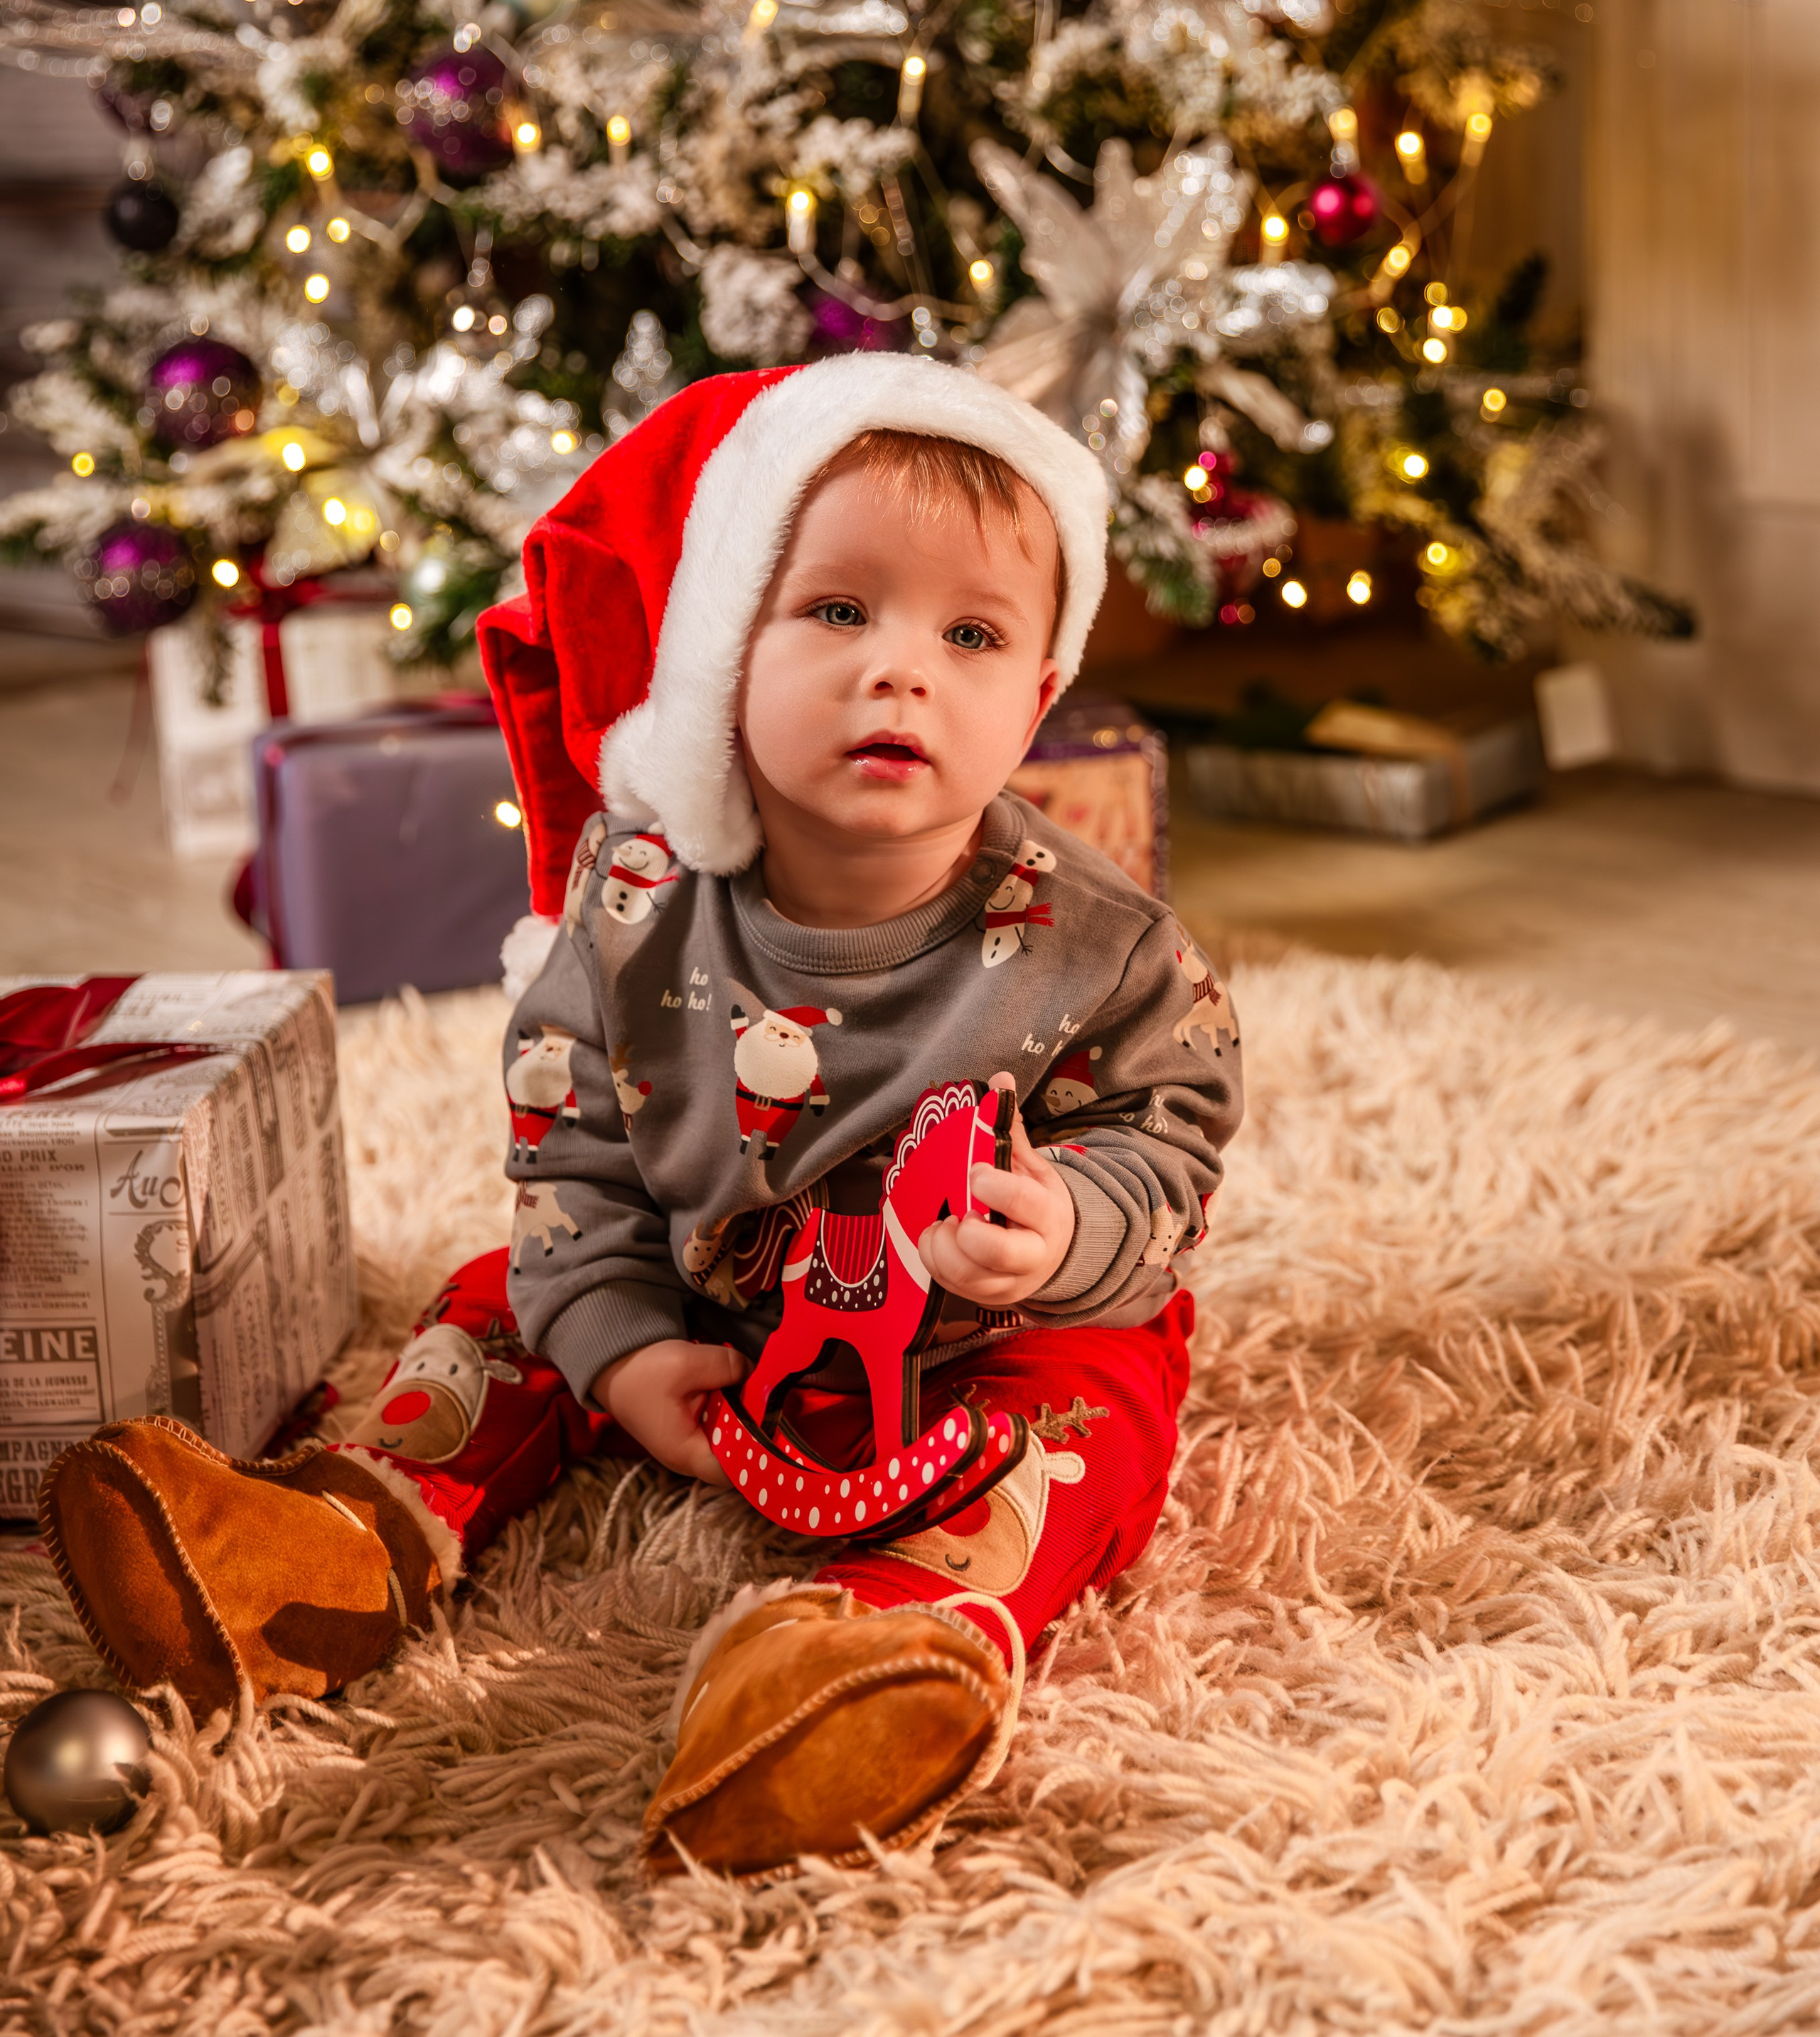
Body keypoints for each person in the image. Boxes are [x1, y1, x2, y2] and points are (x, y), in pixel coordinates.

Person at [41, 357, 1243, 1878]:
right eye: (835, 610)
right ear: (718, 644)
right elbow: (572, 1153)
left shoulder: (1101, 947)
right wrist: (612, 1343)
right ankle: (335, 1545)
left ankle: (881, 1643)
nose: (902, 670)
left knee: (1086, 1411)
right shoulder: (634, 899)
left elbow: (1168, 1137)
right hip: (709, 1275)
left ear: (1038, 696)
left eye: (972, 632)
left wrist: (1068, 1223)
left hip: (974, 1324)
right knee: (501, 1298)